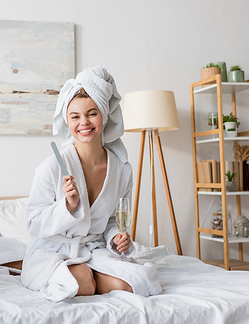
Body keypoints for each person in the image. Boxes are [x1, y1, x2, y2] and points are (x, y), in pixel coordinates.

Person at [21, 66, 161, 302]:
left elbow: (110, 222)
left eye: (91, 113)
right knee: (82, 283)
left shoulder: (122, 169)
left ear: (104, 115)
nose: (83, 122)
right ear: (67, 120)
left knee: (132, 284)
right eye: (75, 116)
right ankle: (88, 274)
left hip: (94, 248)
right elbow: (33, 224)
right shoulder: (52, 167)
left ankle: (94, 271)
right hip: (52, 251)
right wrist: (66, 208)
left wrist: (116, 238)